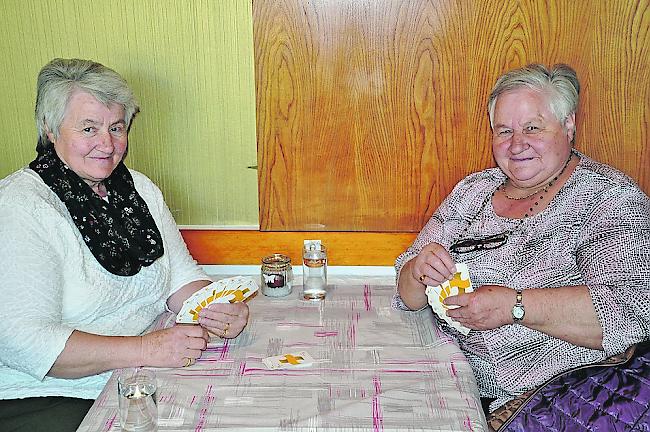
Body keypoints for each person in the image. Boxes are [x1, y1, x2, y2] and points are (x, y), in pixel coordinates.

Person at [0, 58, 250, 431]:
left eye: (116, 127)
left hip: (139, 376)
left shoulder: (138, 188)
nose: (107, 143)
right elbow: (22, 340)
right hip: (51, 395)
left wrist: (221, 307)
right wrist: (148, 349)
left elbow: (181, 278)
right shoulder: (20, 206)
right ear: (51, 130)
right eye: (89, 128)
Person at [394, 63, 650, 417]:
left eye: (532, 127)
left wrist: (513, 306)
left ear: (568, 125)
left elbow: (630, 313)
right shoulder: (473, 191)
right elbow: (406, 295)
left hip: (555, 398)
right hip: (453, 384)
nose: (516, 144)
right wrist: (417, 270)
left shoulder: (610, 198)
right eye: (504, 131)